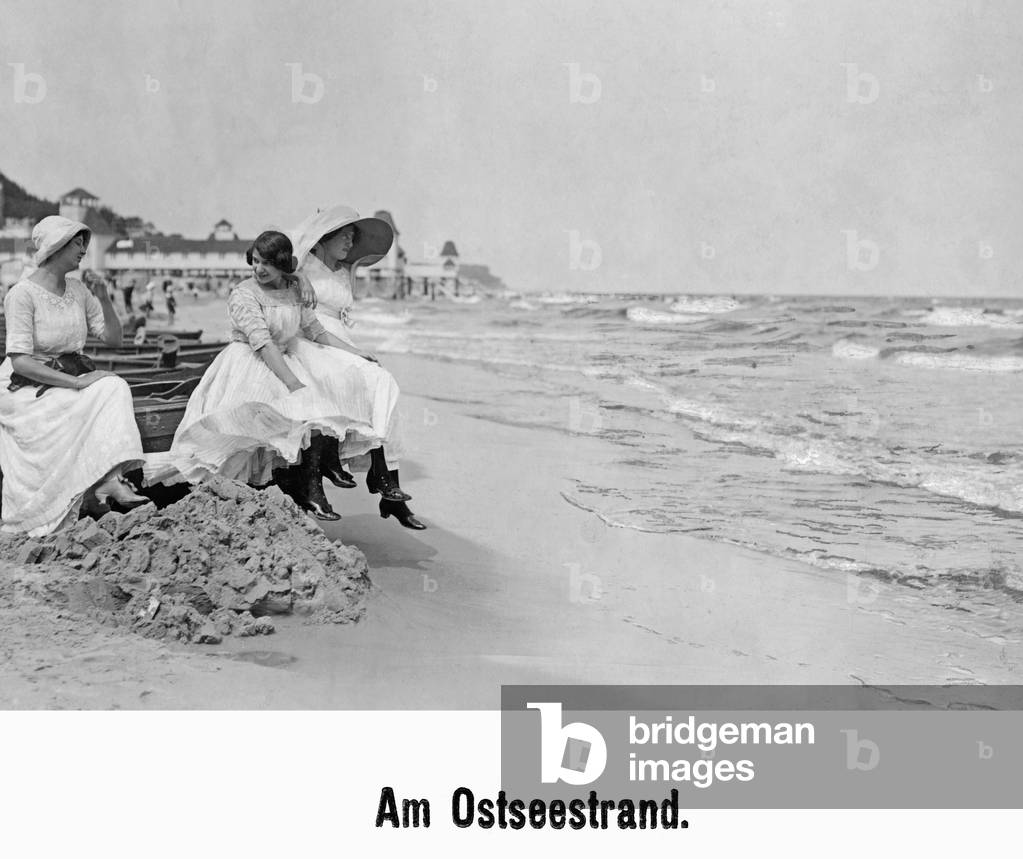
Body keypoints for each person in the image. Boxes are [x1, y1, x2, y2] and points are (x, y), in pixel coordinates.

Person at [143, 230, 410, 522]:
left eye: (266, 264)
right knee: (276, 416)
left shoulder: (293, 290)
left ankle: (305, 488)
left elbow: (316, 332)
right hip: (249, 361)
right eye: (255, 261)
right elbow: (263, 344)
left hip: (283, 357)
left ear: (282, 265)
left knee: (320, 402)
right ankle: (279, 491)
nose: (258, 269)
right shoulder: (244, 294)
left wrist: (355, 353)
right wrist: (293, 383)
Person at [0, 216, 150, 535]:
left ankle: (109, 478)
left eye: (84, 242)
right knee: (91, 395)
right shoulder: (21, 294)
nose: (83, 249)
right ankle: (95, 487)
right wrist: (78, 382)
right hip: (24, 386)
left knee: (114, 385)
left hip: (65, 376)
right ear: (57, 244)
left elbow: (114, 340)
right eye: (76, 242)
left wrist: (105, 296)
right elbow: (21, 362)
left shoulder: (79, 290)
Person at [291, 205, 425, 529]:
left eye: (354, 237)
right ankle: (353, 473)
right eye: (345, 235)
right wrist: (295, 276)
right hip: (311, 340)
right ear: (326, 235)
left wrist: (356, 350)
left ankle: (386, 479)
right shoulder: (304, 264)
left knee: (383, 382)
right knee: (353, 379)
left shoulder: (341, 270)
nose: (351, 243)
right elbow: (279, 274)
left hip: (339, 342)